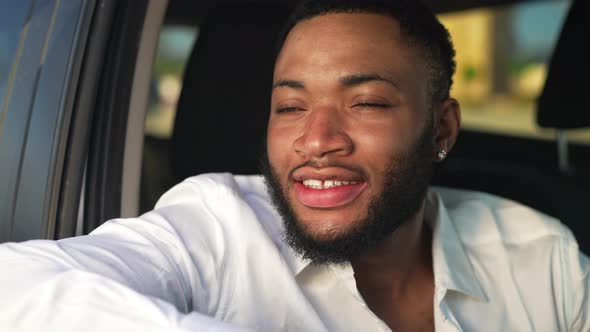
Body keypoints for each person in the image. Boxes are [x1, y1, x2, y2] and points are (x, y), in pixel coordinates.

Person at [0, 0, 588, 331]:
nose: (316, 140)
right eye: (290, 106)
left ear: (442, 128)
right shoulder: (218, 223)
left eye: (366, 103)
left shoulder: (541, 258)